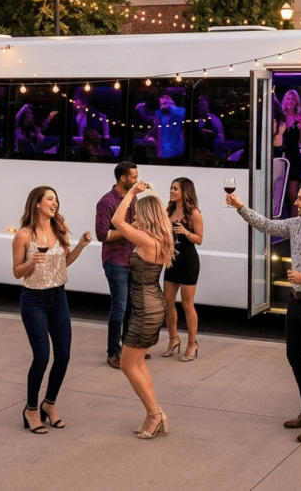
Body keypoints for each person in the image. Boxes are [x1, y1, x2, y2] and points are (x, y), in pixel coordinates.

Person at [227, 180, 301, 443]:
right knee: (294, 355)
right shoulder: (295, 225)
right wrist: (240, 207)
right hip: (296, 302)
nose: (296, 202)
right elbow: (267, 225)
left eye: (300, 199)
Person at [11, 186, 93, 434]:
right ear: (37, 203)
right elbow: (16, 272)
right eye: (49, 199)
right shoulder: (24, 235)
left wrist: (80, 245)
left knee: (64, 355)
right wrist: (30, 262)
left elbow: (64, 263)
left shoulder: (59, 229)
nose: (54, 203)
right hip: (33, 300)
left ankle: (50, 404)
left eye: (56, 199)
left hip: (59, 298)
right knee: (42, 357)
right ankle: (31, 409)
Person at [111, 180, 176, 439]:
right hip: (151, 304)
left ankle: (155, 415)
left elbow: (117, 222)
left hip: (145, 307)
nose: (133, 216)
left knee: (128, 365)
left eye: (137, 213)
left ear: (146, 216)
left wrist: (130, 193)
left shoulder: (148, 240)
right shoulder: (158, 238)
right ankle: (154, 412)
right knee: (137, 364)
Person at [95, 162, 151, 369]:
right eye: (134, 177)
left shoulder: (133, 197)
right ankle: (113, 353)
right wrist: (129, 228)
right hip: (115, 260)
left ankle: (128, 351)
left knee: (133, 307)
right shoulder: (106, 202)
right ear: (123, 178)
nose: (137, 180)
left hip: (134, 259)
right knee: (119, 307)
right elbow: (102, 235)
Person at [162, 178, 205, 362]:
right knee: (167, 303)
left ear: (185, 191)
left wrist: (185, 232)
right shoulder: (169, 210)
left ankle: (192, 343)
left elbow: (199, 239)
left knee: (188, 304)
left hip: (188, 260)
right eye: (171, 188)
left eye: (175, 189)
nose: (172, 191)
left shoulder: (194, 213)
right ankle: (173, 339)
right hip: (172, 260)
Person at [277, 90, 301, 217]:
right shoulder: (279, 117)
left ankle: (295, 227)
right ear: (284, 101)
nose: (290, 102)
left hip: (294, 158)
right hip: (280, 157)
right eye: (288, 99)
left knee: (293, 194)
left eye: (293, 100)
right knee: (278, 195)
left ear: (297, 102)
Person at [136, 94, 186, 159]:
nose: (165, 102)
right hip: (162, 154)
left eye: (167, 100)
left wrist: (170, 107)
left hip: (178, 153)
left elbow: (181, 113)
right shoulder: (159, 114)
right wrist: (141, 108)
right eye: (162, 102)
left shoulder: (180, 111)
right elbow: (147, 117)